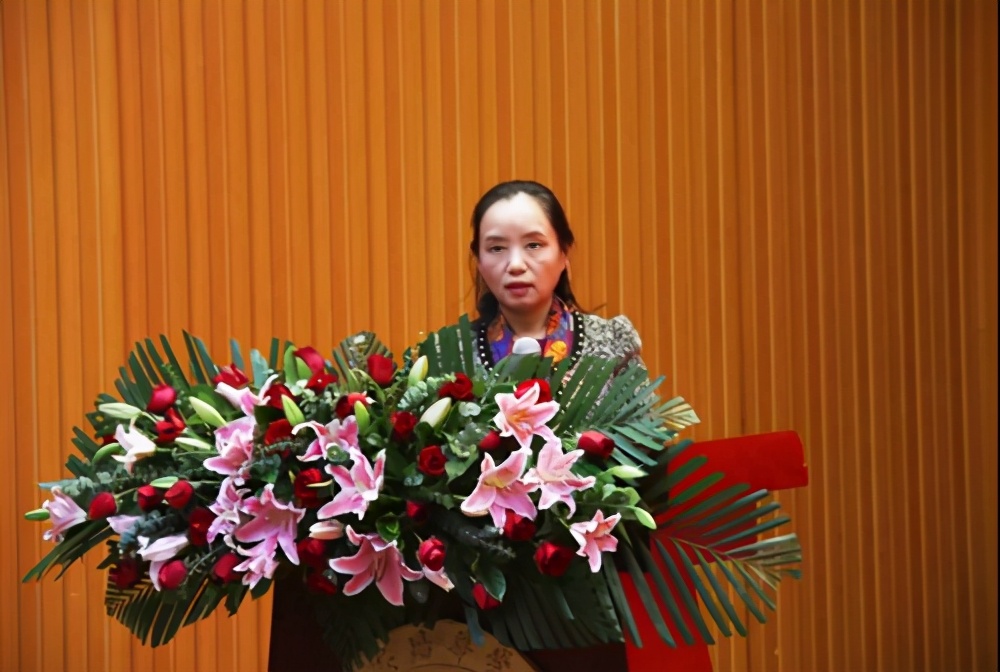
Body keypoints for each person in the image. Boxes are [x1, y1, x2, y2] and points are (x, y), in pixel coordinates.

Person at [466, 179, 644, 377]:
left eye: (534, 245)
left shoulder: (613, 343)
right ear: (479, 261)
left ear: (563, 253)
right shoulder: (450, 355)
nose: (516, 265)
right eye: (497, 248)